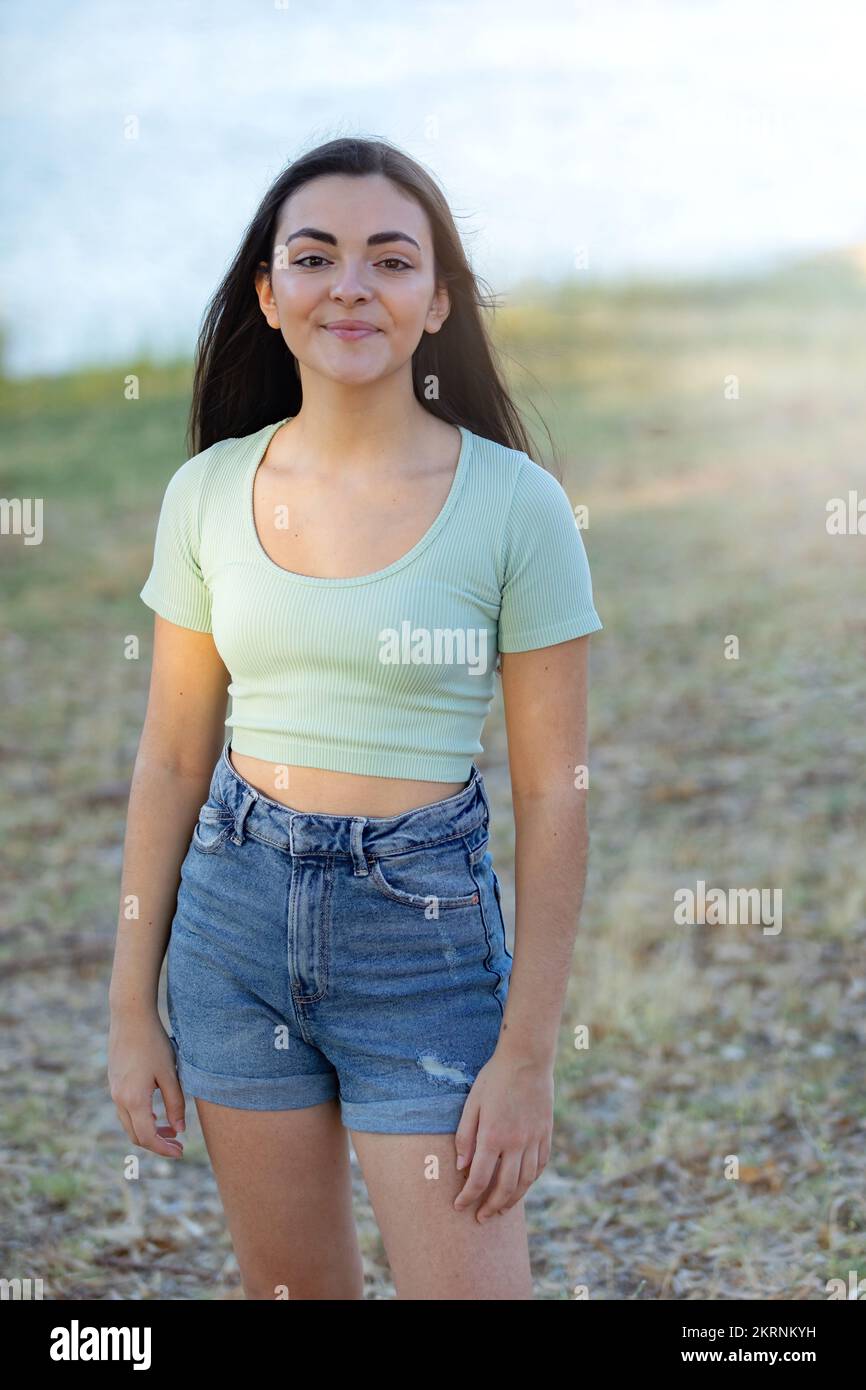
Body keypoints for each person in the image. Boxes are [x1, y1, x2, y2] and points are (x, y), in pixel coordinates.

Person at [108, 136, 603, 1301]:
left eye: (389, 259)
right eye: (315, 256)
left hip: (420, 942)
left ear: (435, 302)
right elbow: (173, 757)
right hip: (232, 932)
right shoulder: (208, 493)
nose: (351, 285)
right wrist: (131, 1010)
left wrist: (526, 1055)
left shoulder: (515, 507)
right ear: (269, 296)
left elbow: (552, 792)